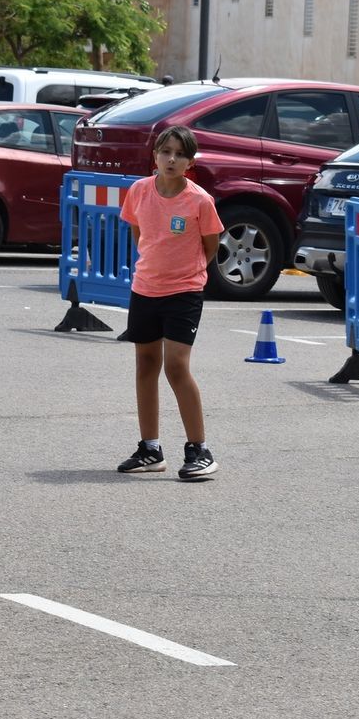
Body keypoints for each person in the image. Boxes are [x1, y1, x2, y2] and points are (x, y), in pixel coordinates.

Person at [114, 126, 225, 481]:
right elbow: (140, 235)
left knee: (176, 366)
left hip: (184, 292)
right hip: (145, 288)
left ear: (190, 162)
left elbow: (210, 247)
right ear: (155, 156)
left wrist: (187, 275)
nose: (172, 159)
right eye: (166, 152)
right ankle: (150, 448)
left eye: (180, 153)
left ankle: (199, 450)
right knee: (146, 364)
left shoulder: (199, 201)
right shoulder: (139, 191)